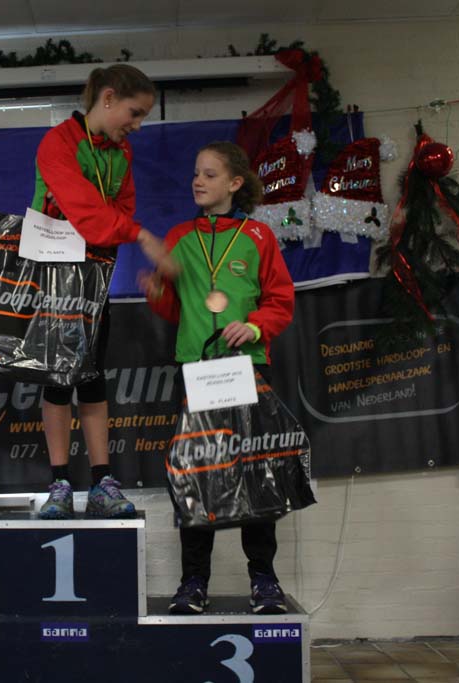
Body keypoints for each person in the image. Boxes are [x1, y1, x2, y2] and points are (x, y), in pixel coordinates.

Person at [140, 141, 295, 615]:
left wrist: (254, 326)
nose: (198, 181)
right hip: (198, 369)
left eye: (209, 174)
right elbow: (174, 309)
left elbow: (280, 301)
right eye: (195, 173)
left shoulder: (259, 236)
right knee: (196, 476)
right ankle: (193, 582)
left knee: (256, 473)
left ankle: (264, 580)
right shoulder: (180, 236)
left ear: (234, 183)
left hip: (246, 367)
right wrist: (157, 289)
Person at [31, 63, 176, 520]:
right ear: (108, 98)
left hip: (94, 276)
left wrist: (119, 228)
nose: (137, 125)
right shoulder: (58, 142)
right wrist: (142, 236)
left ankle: (101, 483)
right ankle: (58, 484)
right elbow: (85, 211)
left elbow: (119, 211)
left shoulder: (121, 152)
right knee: (58, 381)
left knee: (92, 378)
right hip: (52, 277)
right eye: (134, 113)